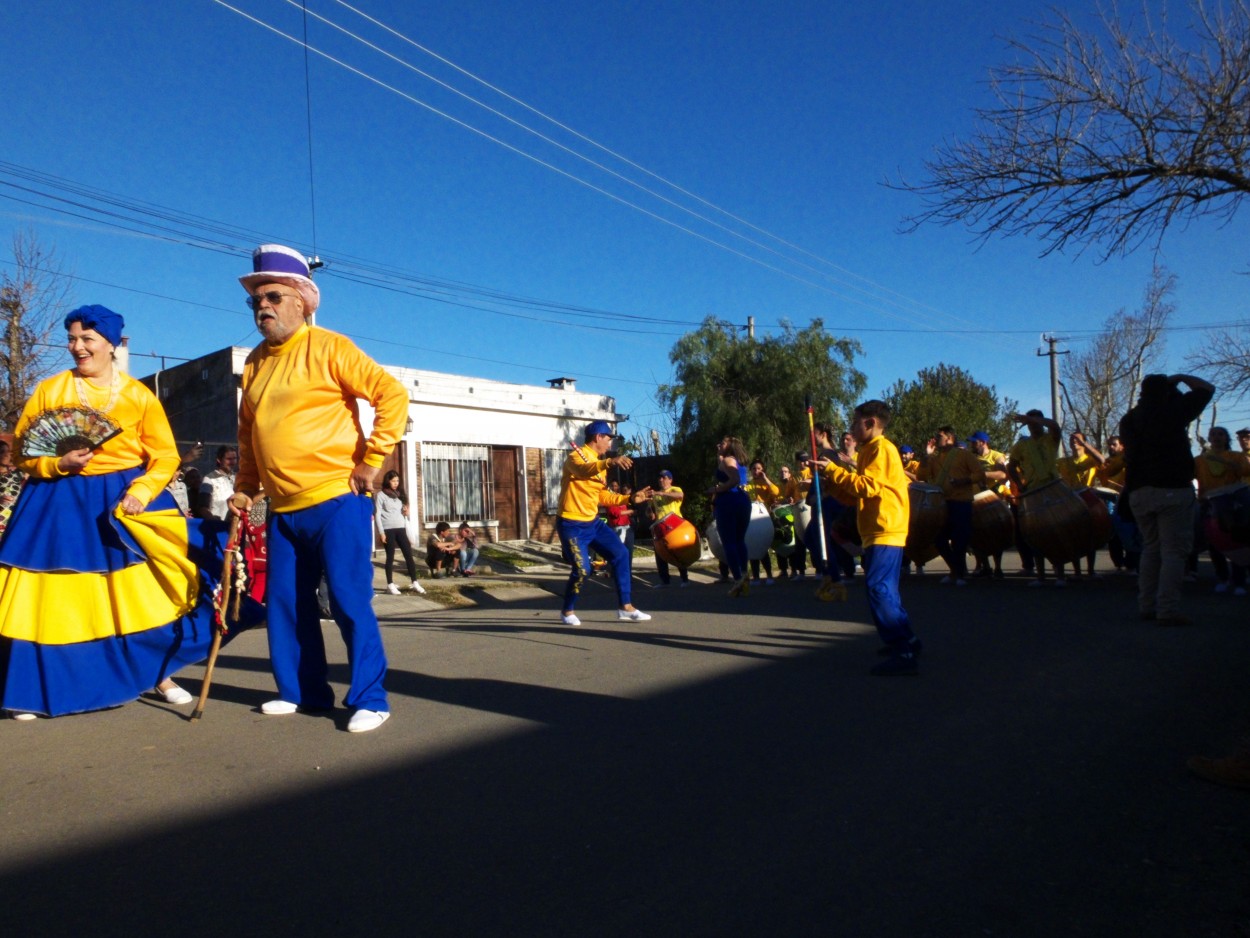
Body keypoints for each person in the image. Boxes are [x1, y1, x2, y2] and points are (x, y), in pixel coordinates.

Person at [0, 305, 245, 718]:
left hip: (122, 500)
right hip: (59, 501)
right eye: (73, 339)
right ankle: (36, 687)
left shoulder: (137, 395)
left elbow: (165, 456)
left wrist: (143, 490)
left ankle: (159, 673)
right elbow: (25, 453)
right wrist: (58, 464)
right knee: (51, 596)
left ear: (110, 345)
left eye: (87, 339)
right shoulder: (49, 390)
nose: (77, 347)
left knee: (139, 591)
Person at [231, 243, 408, 733]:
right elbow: (249, 433)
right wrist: (246, 487)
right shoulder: (254, 362)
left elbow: (391, 394)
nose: (261, 306)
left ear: (302, 300)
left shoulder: (331, 346)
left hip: (337, 500)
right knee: (286, 605)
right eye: (254, 300)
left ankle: (370, 698)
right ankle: (302, 692)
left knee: (349, 600)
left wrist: (373, 460)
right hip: (283, 509)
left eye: (271, 296)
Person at [811, 400, 919, 676]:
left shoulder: (881, 449)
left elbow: (869, 487)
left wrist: (834, 470)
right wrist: (833, 484)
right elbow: (860, 493)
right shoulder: (872, 450)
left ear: (870, 423)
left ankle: (902, 651)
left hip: (885, 528)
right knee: (886, 589)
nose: (850, 428)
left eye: (855, 421)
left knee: (878, 588)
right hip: (879, 529)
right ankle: (908, 640)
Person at [1118, 373, 1214, 626]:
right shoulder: (1173, 411)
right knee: (1173, 551)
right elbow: (1206, 388)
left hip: (1139, 489)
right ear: (1167, 391)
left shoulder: (1129, 419)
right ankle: (1167, 608)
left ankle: (1146, 604)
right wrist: (1180, 377)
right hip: (1171, 487)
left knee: (1151, 548)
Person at [556, 420, 652, 625]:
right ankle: (567, 611)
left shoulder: (601, 466)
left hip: (593, 523)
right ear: (598, 437)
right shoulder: (575, 457)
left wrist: (629, 499)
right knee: (583, 570)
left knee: (621, 553)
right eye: (609, 439)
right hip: (571, 524)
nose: (610, 444)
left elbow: (603, 497)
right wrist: (609, 462)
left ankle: (625, 607)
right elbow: (583, 470)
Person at [918, 425, 986, 586]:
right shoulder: (934, 459)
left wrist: (964, 481)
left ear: (949, 438)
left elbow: (979, 474)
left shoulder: (964, 455)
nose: (935, 439)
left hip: (961, 502)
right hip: (942, 504)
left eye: (939, 436)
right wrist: (925, 456)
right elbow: (921, 476)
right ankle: (956, 570)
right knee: (939, 539)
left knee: (959, 539)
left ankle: (959, 574)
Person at [1007, 409, 1064, 586]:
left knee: (1056, 531)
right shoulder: (1022, 445)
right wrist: (1021, 485)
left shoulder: (1051, 438)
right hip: (1032, 491)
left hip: (1052, 488)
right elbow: (1011, 466)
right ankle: (1040, 576)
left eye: (1036, 421)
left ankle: (1060, 574)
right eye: (1030, 422)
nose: (1033, 425)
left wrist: (1034, 419)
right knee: (1036, 533)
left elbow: (1054, 426)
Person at [1193, 426, 1248, 595]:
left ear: (1226, 438)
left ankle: (1239, 581)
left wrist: (1227, 463)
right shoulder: (1200, 460)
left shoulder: (1236, 456)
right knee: (1214, 543)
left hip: (1233, 503)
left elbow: (1246, 471)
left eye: (1221, 434)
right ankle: (1222, 577)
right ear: (1209, 439)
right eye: (1213, 434)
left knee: (1237, 541)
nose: (1217, 437)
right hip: (1208, 504)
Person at [710, 436, 752, 596]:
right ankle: (744, 573)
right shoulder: (736, 461)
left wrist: (718, 490)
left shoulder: (727, 461)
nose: (719, 444)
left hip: (729, 501)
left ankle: (738, 578)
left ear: (730, 446)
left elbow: (733, 479)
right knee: (740, 539)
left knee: (729, 541)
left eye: (722, 443)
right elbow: (727, 472)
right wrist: (719, 455)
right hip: (743, 500)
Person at [375, 469, 425, 594]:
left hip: (401, 528)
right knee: (390, 557)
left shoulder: (400, 494)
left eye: (397, 480)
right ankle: (390, 584)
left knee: (408, 555)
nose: (396, 483)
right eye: (393, 481)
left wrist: (406, 513)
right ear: (388, 481)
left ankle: (415, 582)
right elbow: (377, 514)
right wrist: (381, 532)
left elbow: (404, 512)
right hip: (388, 529)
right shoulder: (380, 495)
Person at [649, 469, 688, 587]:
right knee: (660, 554)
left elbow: (679, 495)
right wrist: (649, 511)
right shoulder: (655, 495)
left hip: (674, 526)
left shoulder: (675, 489)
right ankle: (664, 580)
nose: (661, 480)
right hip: (660, 527)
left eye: (664, 477)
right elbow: (651, 509)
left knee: (677, 552)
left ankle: (684, 579)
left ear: (670, 480)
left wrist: (662, 493)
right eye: (660, 478)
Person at [744, 459, 780, 585]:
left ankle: (769, 575)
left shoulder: (766, 484)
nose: (756, 471)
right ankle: (756, 577)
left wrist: (766, 480)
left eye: (759, 469)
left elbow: (776, 492)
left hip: (764, 518)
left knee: (763, 547)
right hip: (751, 519)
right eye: (754, 469)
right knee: (753, 546)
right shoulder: (749, 484)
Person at [198, 445, 238, 521]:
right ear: (219, 460)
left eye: (234, 459)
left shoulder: (238, 478)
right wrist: (213, 521)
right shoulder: (209, 479)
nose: (232, 462)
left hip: (236, 526)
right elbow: (203, 507)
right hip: (218, 526)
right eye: (229, 459)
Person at [0, 438, 28, 539]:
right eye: (2, 452)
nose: (7, 455)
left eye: (8, 451)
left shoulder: (18, 474)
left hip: (15, 517)